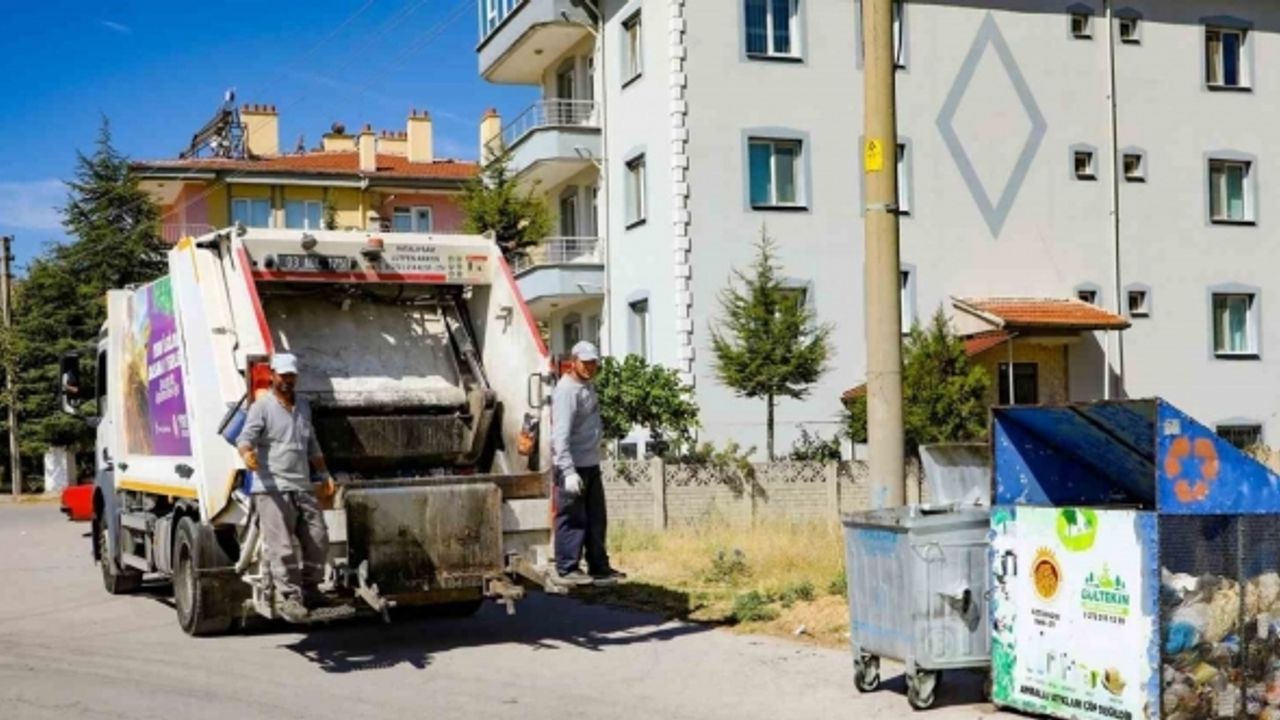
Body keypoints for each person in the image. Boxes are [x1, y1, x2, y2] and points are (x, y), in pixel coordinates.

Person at [236, 353, 335, 622]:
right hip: (272, 488)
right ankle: (290, 598)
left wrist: (324, 473)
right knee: (282, 547)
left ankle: (311, 588)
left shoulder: (303, 406)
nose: (287, 380)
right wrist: (247, 454)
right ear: (272, 375)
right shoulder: (262, 407)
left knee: (318, 538)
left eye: (291, 375)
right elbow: (245, 438)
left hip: (301, 484)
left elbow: (311, 443)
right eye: (283, 375)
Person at [551, 341, 625, 586]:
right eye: (585, 363)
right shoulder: (567, 391)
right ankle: (567, 567)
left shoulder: (587, 386)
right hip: (573, 466)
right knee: (572, 519)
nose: (590, 367)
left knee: (595, 519)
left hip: (590, 463)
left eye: (593, 363)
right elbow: (560, 436)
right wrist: (568, 471)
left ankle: (599, 566)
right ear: (573, 362)